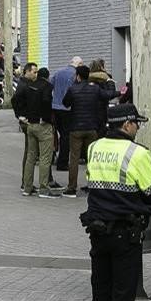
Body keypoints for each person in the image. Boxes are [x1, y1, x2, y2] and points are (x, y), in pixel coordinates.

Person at [80, 103, 151, 301]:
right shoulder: (137, 153)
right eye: (136, 123)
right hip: (126, 234)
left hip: (98, 232)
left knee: (100, 295)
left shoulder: (94, 148)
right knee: (123, 297)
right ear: (126, 125)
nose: (138, 127)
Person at [62, 65, 118, 197]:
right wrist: (119, 91)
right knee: (92, 158)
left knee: (74, 158)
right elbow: (107, 95)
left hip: (76, 128)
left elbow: (66, 103)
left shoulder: (73, 89)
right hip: (92, 128)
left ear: (78, 76)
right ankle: (94, 186)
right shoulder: (95, 89)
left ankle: (71, 188)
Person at [12, 62, 57, 198]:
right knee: (44, 157)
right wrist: (46, 118)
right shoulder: (44, 87)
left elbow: (15, 100)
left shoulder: (27, 86)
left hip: (30, 125)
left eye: (37, 72)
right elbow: (45, 102)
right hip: (41, 125)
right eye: (34, 71)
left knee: (31, 157)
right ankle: (44, 188)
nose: (35, 74)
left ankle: (27, 187)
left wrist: (22, 116)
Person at [50, 56, 81, 171]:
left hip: (55, 107)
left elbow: (50, 86)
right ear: (79, 64)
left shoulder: (58, 72)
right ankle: (62, 162)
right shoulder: (75, 75)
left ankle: (56, 157)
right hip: (67, 109)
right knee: (66, 136)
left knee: (58, 134)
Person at [88, 59, 115, 137]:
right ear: (102, 66)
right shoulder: (106, 77)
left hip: (90, 109)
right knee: (102, 130)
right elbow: (111, 93)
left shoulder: (87, 77)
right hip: (103, 108)